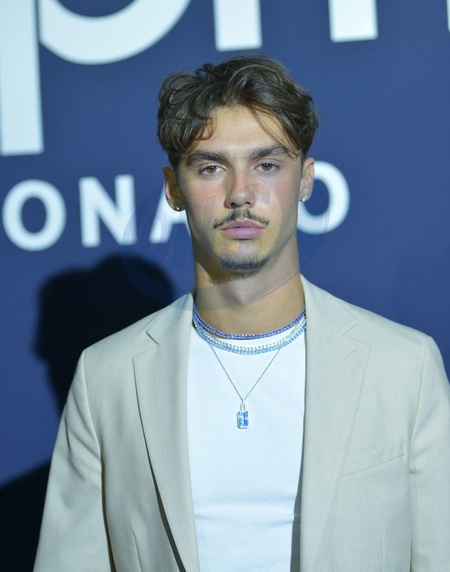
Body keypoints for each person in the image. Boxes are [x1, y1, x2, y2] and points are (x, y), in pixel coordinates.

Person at [34, 55, 450, 571]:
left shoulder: (404, 367)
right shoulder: (107, 377)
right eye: (211, 167)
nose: (241, 194)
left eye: (266, 165)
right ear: (173, 188)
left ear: (306, 180)